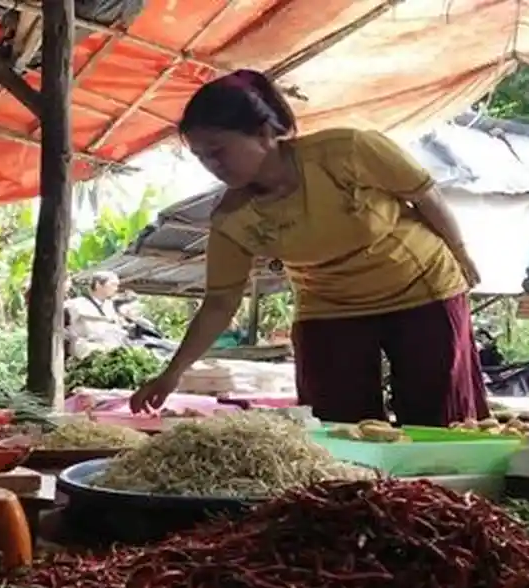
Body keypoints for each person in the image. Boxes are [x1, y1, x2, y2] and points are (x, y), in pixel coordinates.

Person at [129, 70, 489, 426]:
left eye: (218, 150)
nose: (212, 166)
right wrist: (172, 373)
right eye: (201, 157)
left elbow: (424, 195)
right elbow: (220, 302)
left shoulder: (348, 150)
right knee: (334, 424)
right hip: (328, 305)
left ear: (265, 133)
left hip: (421, 287)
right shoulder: (230, 218)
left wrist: (461, 253)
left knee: (439, 422)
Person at [65, 271, 130, 359]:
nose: (116, 288)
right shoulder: (76, 304)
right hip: (85, 353)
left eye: (117, 285)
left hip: (108, 352)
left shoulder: (110, 306)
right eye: (113, 284)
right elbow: (64, 328)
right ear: (98, 285)